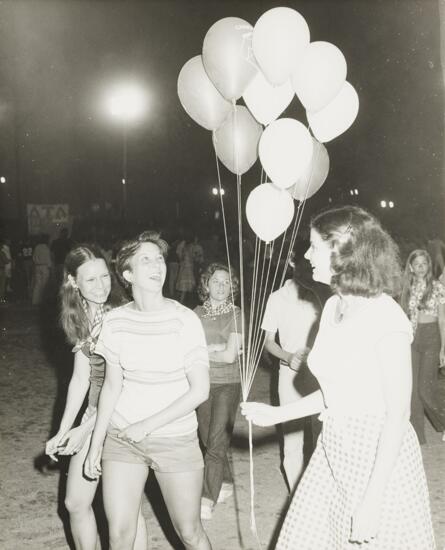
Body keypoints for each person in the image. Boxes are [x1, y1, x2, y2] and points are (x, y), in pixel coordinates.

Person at [241, 206, 436, 549]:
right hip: (333, 451)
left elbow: (396, 415)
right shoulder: (333, 307)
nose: (306, 254)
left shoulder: (384, 316)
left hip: (377, 459)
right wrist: (278, 414)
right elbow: (339, 391)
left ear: (342, 249)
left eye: (314, 246)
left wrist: (373, 501)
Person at [84, 231, 212, 550]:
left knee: (189, 532)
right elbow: (111, 387)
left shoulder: (185, 320)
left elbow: (200, 391)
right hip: (122, 438)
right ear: (127, 274)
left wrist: (147, 426)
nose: (157, 265)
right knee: (120, 535)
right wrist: (95, 444)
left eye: (159, 258)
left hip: (175, 439)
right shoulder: (114, 322)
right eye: (146, 259)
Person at [45, 244, 147, 550]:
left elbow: (127, 384)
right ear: (74, 281)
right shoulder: (83, 315)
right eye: (91, 280)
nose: (102, 285)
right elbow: (80, 378)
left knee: (127, 510)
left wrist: (85, 430)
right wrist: (63, 430)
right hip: (96, 411)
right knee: (76, 503)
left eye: (105, 276)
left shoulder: (119, 316)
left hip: (125, 414)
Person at [261, 262, 321, 492]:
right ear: (291, 263)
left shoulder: (322, 294)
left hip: (319, 376)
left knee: (320, 439)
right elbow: (268, 342)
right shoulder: (277, 298)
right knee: (293, 442)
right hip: (289, 375)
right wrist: (288, 356)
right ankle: (298, 497)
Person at [194, 263, 242, 520]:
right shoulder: (196, 313)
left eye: (226, 282)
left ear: (232, 286)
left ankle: (206, 498)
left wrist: (208, 350)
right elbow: (188, 351)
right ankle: (225, 481)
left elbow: (230, 355)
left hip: (228, 384)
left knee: (214, 443)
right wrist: (215, 349)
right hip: (202, 383)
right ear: (206, 284)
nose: (221, 286)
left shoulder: (236, 314)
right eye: (216, 281)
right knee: (206, 438)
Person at [400, 249, 445, 443]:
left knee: (426, 390)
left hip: (432, 335)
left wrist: (443, 348)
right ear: (410, 267)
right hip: (412, 338)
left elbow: (442, 318)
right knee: (412, 391)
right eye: (416, 264)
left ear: (428, 266)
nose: (420, 267)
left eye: (424, 264)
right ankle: (417, 437)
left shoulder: (437, 286)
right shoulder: (407, 288)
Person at [32, 233, 52, 305]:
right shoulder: (46, 247)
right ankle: (43, 301)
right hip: (45, 267)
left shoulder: (37, 247)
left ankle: (35, 301)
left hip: (37, 266)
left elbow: (33, 258)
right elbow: (48, 259)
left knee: (37, 284)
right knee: (45, 284)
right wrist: (50, 267)